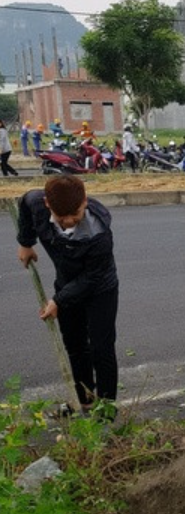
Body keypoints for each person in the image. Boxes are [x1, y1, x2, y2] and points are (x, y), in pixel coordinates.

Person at [16, 176, 119, 416]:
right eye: (62, 218)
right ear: (48, 205)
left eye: (75, 214)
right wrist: (26, 243)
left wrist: (58, 300)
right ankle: (84, 400)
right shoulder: (36, 203)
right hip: (66, 283)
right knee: (75, 345)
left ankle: (105, 409)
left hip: (100, 288)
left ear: (84, 201)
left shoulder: (99, 233)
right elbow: (24, 204)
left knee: (101, 348)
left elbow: (93, 278)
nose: (69, 222)